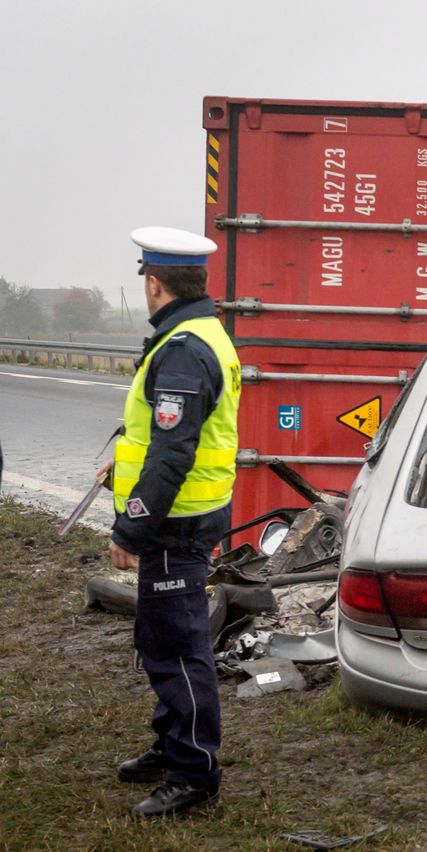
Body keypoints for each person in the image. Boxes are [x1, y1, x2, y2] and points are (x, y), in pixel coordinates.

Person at [104, 226, 240, 816]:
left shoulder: (184, 347)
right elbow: (162, 435)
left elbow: (172, 452)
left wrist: (130, 527)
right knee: (160, 636)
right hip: (189, 515)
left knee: (179, 649)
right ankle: (170, 745)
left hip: (175, 523)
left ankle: (193, 773)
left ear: (154, 283)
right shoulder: (200, 333)